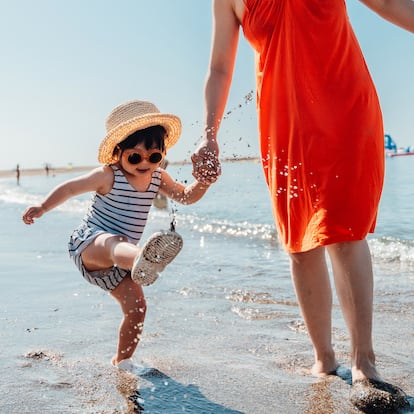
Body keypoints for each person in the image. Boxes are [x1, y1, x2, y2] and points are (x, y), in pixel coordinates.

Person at [192, 1, 414, 411]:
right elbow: (220, 67)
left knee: (346, 232)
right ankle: (323, 357)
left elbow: (386, 3)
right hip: (285, 121)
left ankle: (364, 360)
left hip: (347, 106)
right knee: (299, 242)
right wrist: (210, 133)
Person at [23, 99, 211, 374]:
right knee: (115, 243)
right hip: (90, 244)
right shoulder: (108, 175)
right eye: (135, 157)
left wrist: (203, 181)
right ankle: (144, 260)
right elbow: (69, 188)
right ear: (118, 152)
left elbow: (186, 196)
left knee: (137, 308)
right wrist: (42, 207)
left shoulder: (159, 178)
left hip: (117, 267)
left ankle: (123, 362)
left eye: (154, 157)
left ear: (163, 154)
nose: (145, 163)